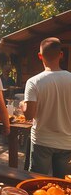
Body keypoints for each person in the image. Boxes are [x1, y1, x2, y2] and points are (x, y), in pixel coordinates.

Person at [22, 37, 71, 177]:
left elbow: (29, 115)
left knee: (36, 183)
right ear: (61, 55)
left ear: (40, 56)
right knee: (63, 187)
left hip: (41, 140)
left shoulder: (34, 82)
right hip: (67, 141)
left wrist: (23, 105)